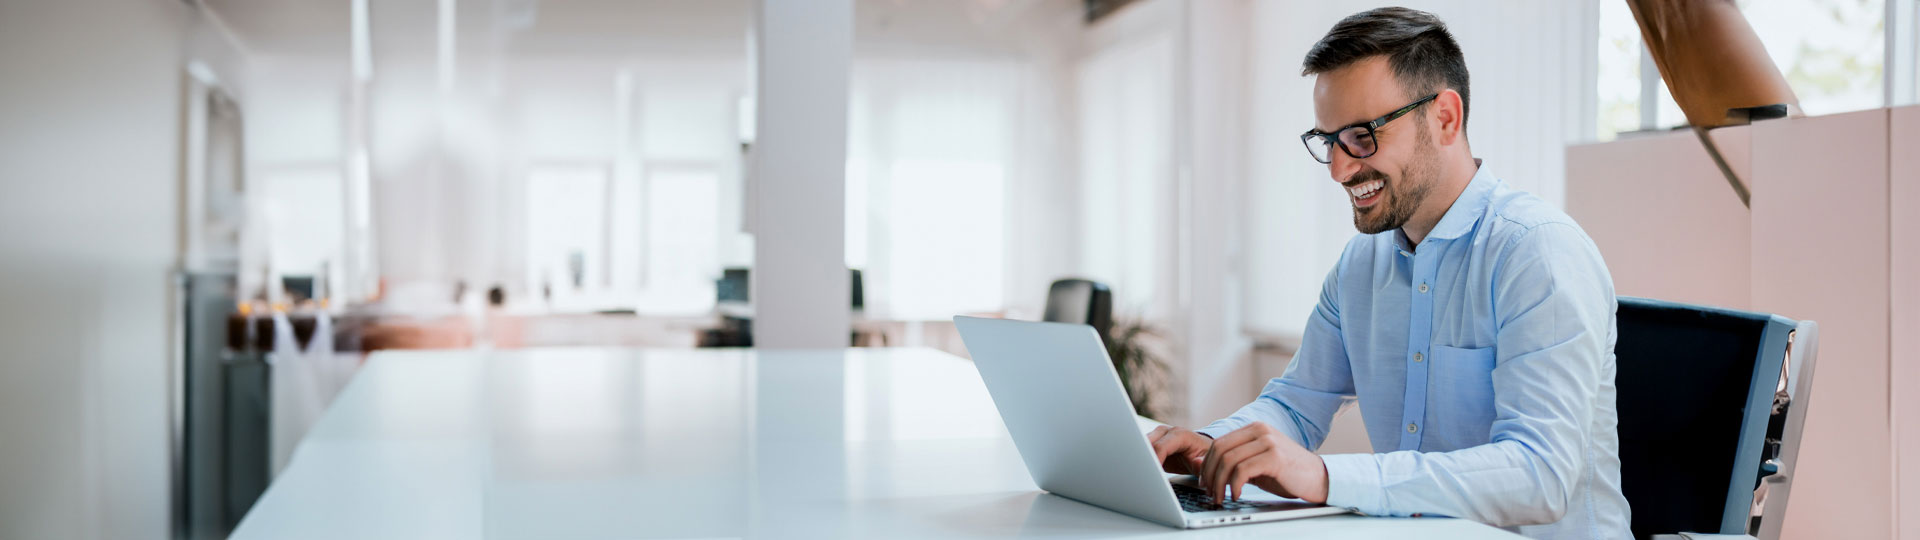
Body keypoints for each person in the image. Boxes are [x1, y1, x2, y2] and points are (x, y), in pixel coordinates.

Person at [1146, 8, 1630, 538]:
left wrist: (1324, 475)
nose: (1339, 168)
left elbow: (1540, 475)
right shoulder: (1362, 263)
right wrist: (1215, 446)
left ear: (1445, 117)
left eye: (1361, 135)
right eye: (1328, 140)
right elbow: (1297, 402)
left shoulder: (1538, 254)